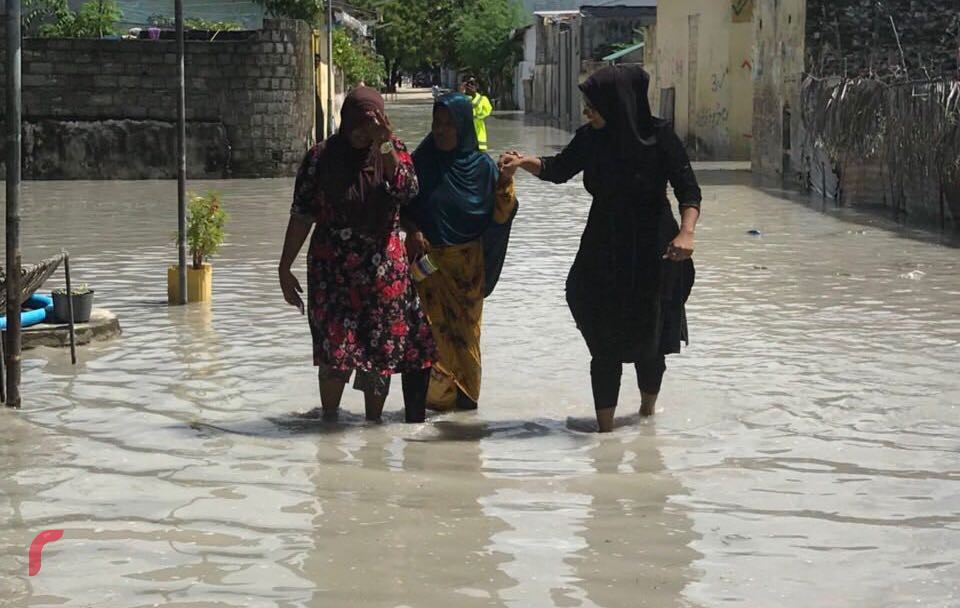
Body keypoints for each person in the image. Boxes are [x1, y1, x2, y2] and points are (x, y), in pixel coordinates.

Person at [500, 65, 701, 433]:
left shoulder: (660, 136)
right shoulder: (592, 138)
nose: (587, 112)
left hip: (654, 247)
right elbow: (559, 169)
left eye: (592, 105)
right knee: (600, 331)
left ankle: (646, 418)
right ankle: (605, 433)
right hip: (603, 246)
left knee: (651, 337)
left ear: (617, 103)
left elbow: (689, 190)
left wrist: (687, 233)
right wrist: (524, 162)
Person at [278, 87, 436, 423]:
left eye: (372, 124)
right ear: (345, 121)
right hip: (331, 273)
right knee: (334, 353)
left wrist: (385, 145)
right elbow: (301, 214)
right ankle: (329, 423)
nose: (364, 133)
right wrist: (284, 266)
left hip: (383, 275)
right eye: (359, 126)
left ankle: (373, 431)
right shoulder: (320, 158)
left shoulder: (392, 151)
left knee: (380, 354)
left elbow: (407, 190)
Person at [403, 92, 518, 411]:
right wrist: (413, 230)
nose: (440, 130)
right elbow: (402, 206)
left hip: (468, 272)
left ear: (463, 127)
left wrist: (507, 181)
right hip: (427, 270)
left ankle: (465, 417)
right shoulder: (421, 163)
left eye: (448, 125)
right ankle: (430, 411)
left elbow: (501, 214)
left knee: (466, 342)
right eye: (436, 124)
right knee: (429, 337)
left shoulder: (482, 168)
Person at [462, 76, 493, 152]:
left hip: (479, 139)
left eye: (473, 84)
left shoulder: (483, 99)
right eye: (468, 84)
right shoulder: (461, 99)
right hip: (464, 138)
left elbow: (487, 111)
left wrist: (476, 117)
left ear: (476, 86)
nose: (470, 86)